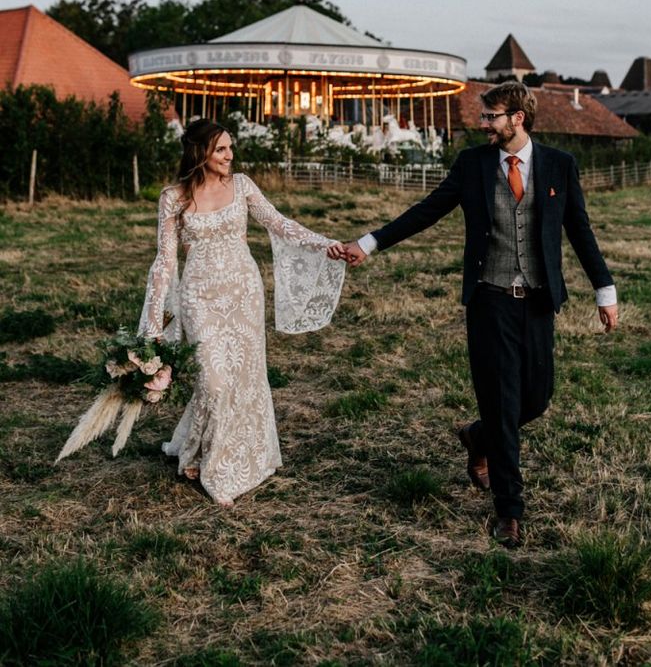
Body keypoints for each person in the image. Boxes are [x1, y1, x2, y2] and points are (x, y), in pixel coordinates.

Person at [342, 81, 618, 546]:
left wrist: (604, 290)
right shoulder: (472, 164)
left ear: (518, 119)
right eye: (484, 116)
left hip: (537, 301)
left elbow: (580, 232)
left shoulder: (559, 166)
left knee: (536, 398)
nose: (483, 123)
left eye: (491, 116)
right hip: (489, 299)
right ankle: (509, 510)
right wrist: (369, 243)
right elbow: (426, 211)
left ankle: (477, 435)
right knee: (504, 403)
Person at [138, 118, 347, 506]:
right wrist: (153, 326)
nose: (230, 155)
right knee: (213, 380)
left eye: (231, 148)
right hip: (199, 297)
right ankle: (206, 457)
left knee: (243, 376)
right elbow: (165, 262)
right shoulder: (174, 197)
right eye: (221, 149)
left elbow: (280, 224)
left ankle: (222, 462)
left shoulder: (243, 186)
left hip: (243, 292)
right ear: (200, 152)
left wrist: (326, 245)